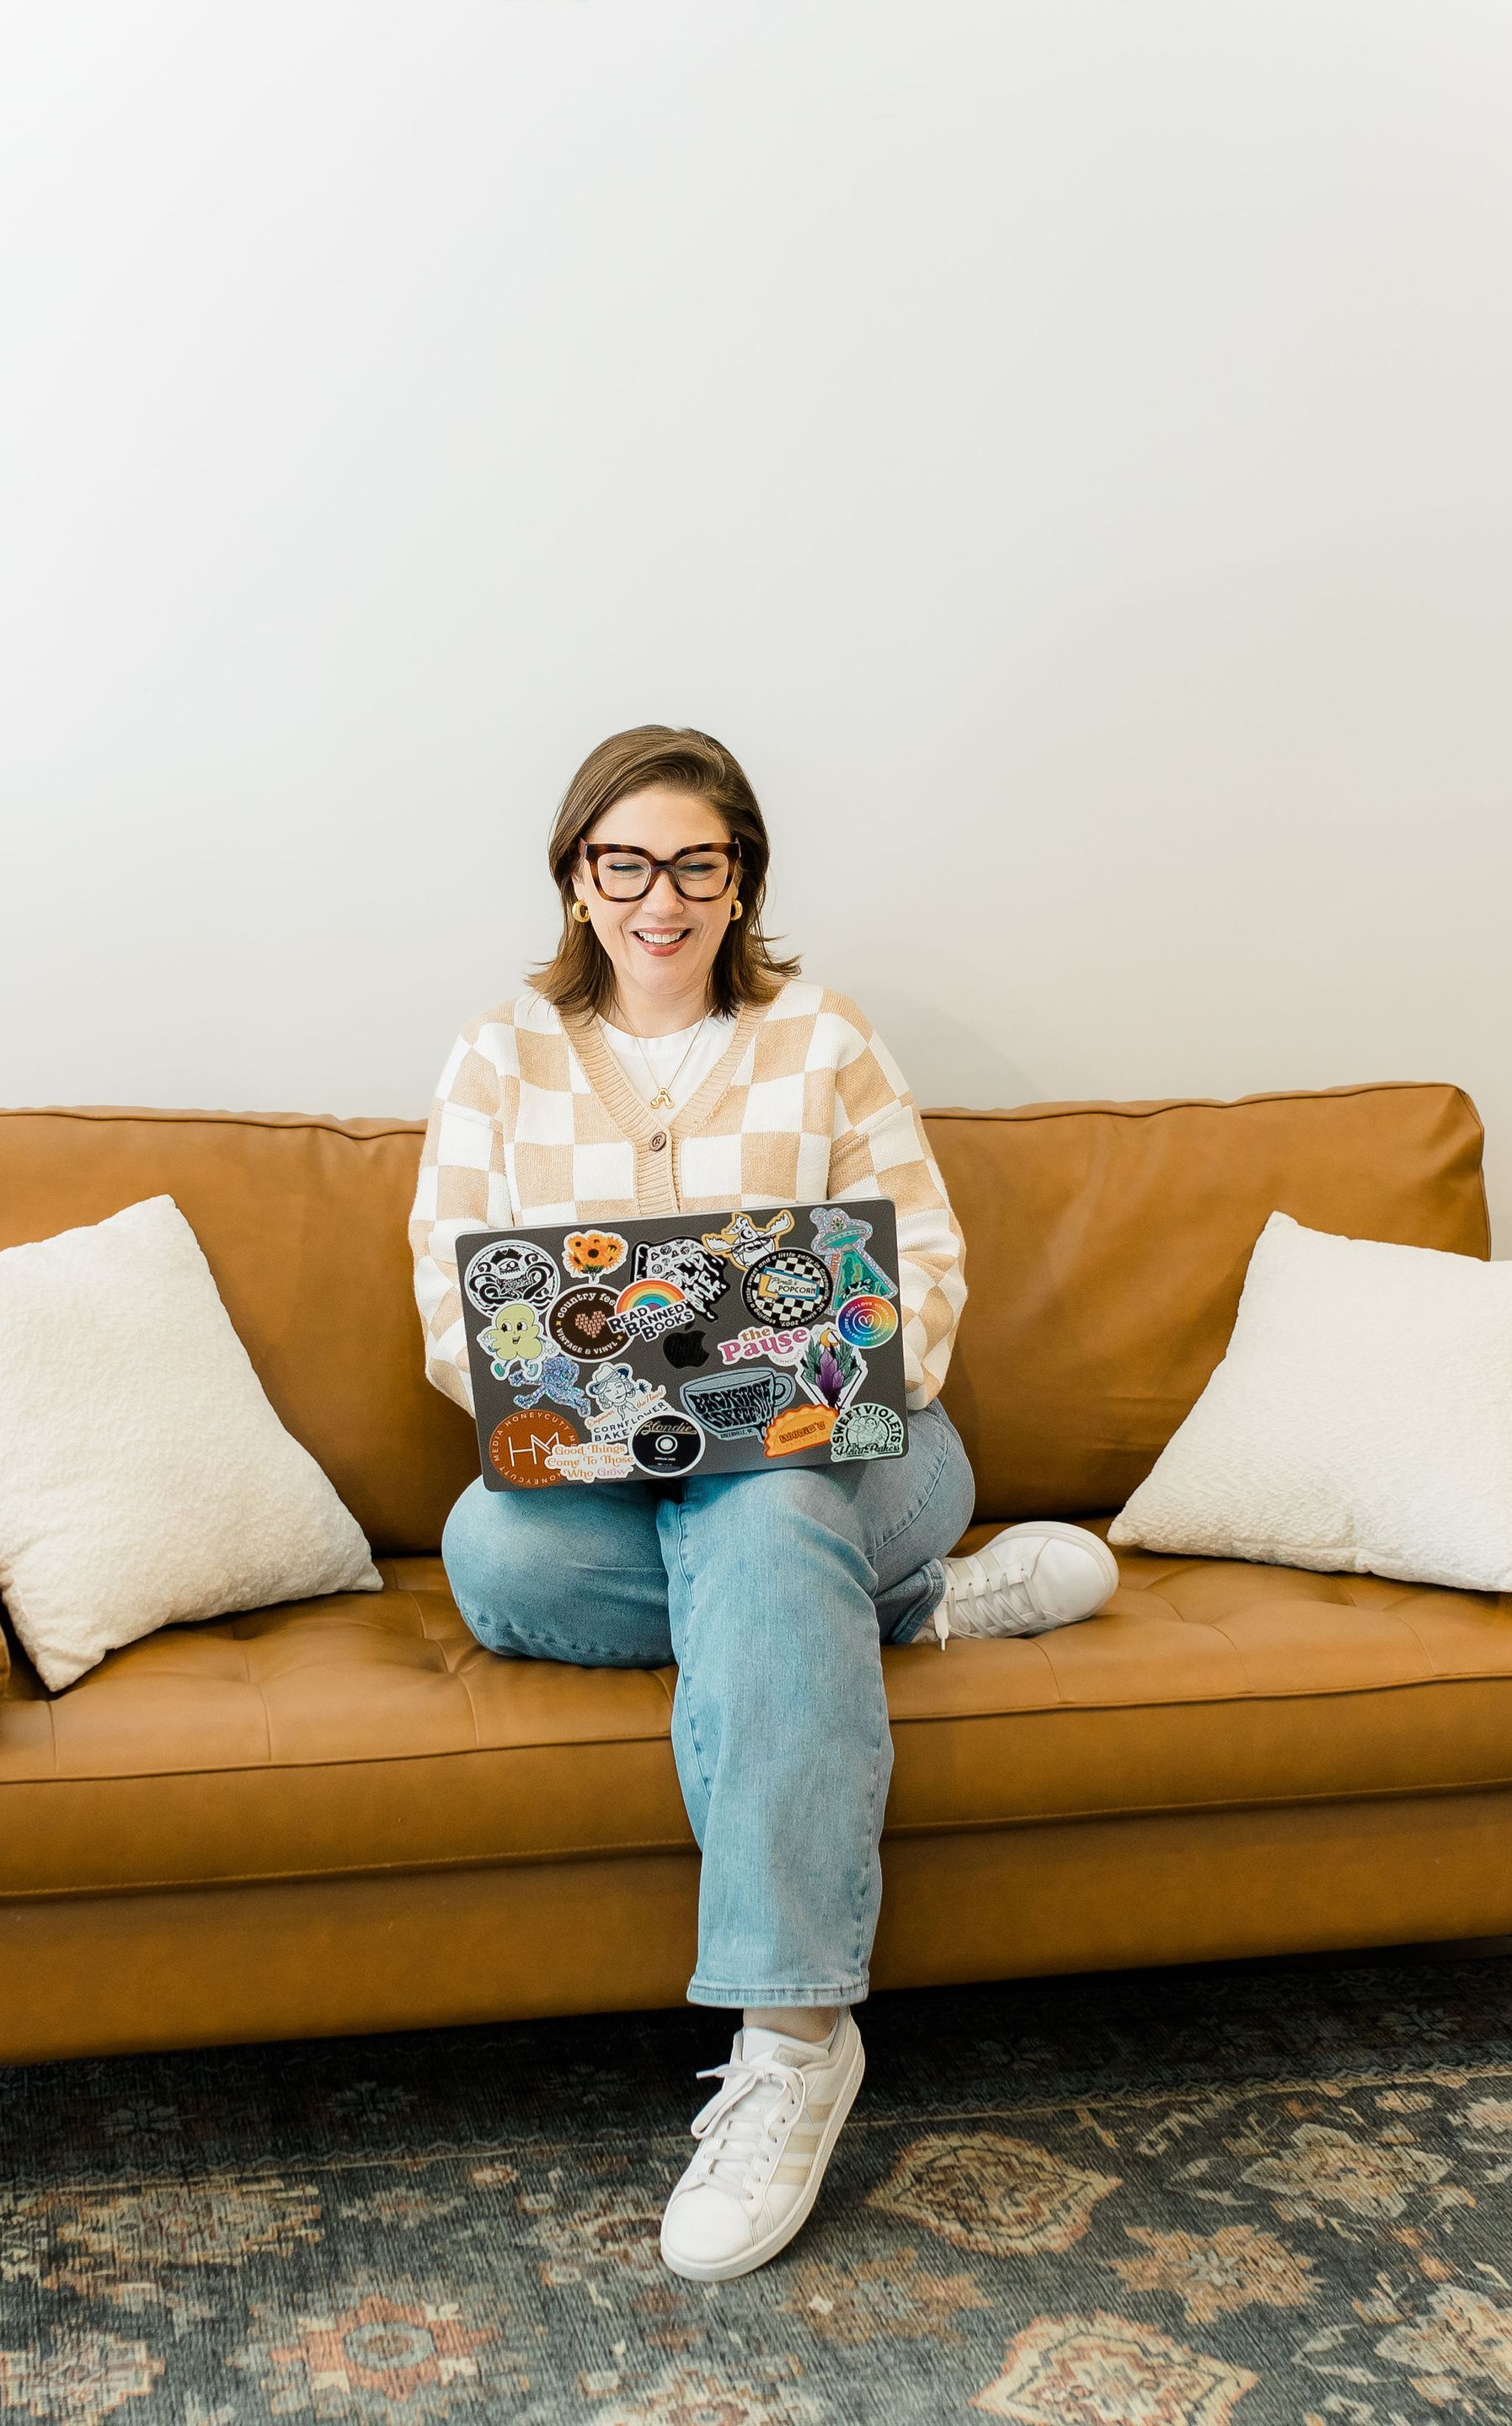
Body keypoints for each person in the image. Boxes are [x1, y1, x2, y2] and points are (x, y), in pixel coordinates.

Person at [409, 725, 1118, 2282]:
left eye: (696, 866)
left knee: (766, 1505)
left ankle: (793, 2036)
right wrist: (623, 1421)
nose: (659, 900)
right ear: (576, 878)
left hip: (862, 1461)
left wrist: (783, 1401)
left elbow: (926, 1271)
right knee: (490, 1550)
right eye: (625, 865)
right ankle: (911, 1610)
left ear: (741, 883)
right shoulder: (498, 1055)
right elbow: (455, 1317)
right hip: (607, 1495)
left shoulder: (825, 1037)